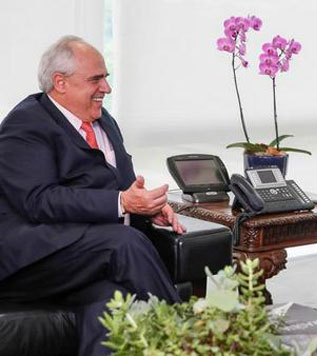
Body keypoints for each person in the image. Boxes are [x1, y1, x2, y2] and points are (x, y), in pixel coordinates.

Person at [0, 35, 186, 356]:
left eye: (106, 78)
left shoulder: (103, 120)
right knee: (124, 243)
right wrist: (121, 203)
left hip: (83, 258)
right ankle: (190, 343)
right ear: (60, 83)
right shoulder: (26, 124)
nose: (106, 88)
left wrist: (146, 208)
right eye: (95, 79)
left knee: (109, 303)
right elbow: (38, 200)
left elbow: (123, 187)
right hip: (32, 262)